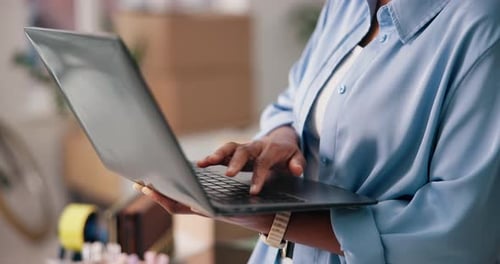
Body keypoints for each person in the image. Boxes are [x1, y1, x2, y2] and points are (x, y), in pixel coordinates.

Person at [134, 0, 500, 263]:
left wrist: (261, 215)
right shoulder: (344, 7)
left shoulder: (481, 27)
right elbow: (293, 100)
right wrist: (280, 139)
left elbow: (461, 231)